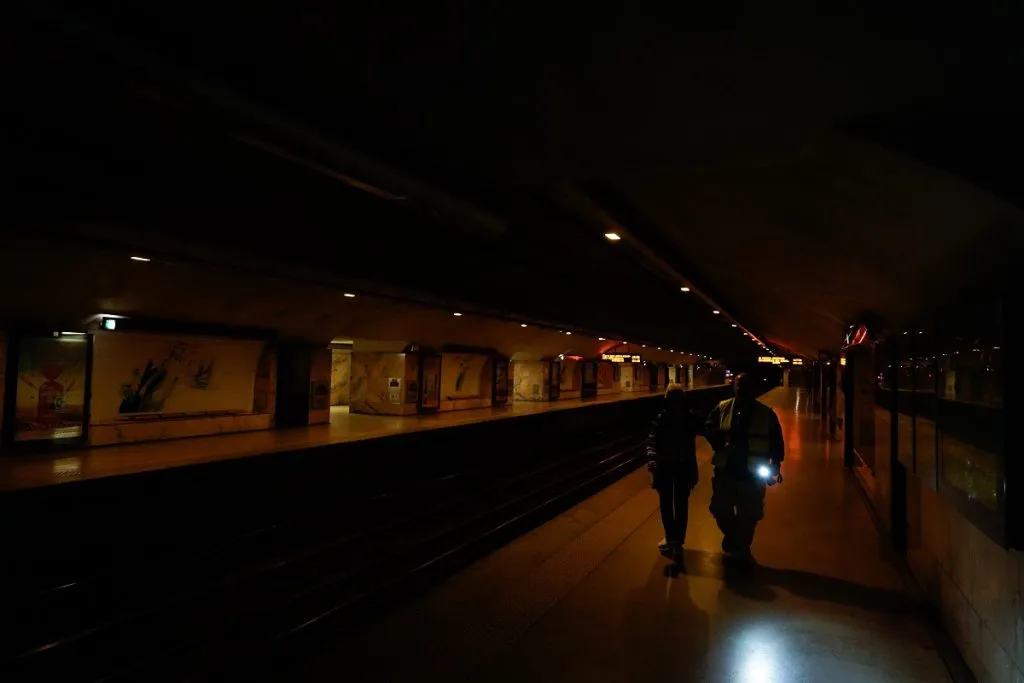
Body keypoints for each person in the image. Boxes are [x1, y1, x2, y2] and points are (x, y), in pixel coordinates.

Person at [705, 373, 784, 561]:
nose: (741, 388)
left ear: (753, 389)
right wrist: (718, 443)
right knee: (720, 509)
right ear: (733, 386)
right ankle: (733, 537)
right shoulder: (722, 408)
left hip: (753, 474)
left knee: (749, 515)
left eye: (746, 385)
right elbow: (709, 427)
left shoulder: (766, 414)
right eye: (739, 384)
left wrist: (776, 463)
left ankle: (741, 547)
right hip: (726, 470)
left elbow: (776, 441)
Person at [645, 383, 705, 558]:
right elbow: (707, 429)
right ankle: (676, 541)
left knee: (667, 505)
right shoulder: (690, 417)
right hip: (683, 467)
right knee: (680, 505)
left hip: (665, 467)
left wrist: (652, 458)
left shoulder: (661, 418)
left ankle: (673, 539)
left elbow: (651, 439)